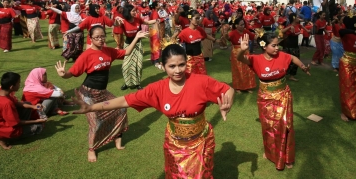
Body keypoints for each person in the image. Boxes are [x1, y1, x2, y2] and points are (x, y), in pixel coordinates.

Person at [72, 44, 235, 177]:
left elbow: (228, 90)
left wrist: (227, 103)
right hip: (174, 144)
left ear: (187, 62)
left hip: (200, 142)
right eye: (172, 66)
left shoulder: (201, 82)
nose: (177, 70)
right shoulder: (156, 89)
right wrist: (91, 107)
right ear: (163, 66)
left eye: (181, 65)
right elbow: (125, 100)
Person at [55, 26, 148, 162]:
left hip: (102, 92)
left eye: (102, 36)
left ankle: (117, 137)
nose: (100, 39)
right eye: (97, 37)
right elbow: (71, 73)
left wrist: (137, 37)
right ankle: (91, 149)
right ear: (91, 38)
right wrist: (63, 75)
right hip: (88, 93)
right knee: (96, 121)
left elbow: (126, 52)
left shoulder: (108, 51)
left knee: (121, 108)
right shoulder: (86, 55)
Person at [237, 32, 310, 170]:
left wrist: (303, 67)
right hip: (265, 98)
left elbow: (293, 58)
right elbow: (240, 58)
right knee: (269, 127)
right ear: (264, 46)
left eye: (278, 45)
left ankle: (287, 157)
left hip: (283, 95)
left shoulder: (282, 56)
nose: (277, 48)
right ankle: (271, 153)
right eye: (274, 45)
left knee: (285, 125)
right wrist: (242, 49)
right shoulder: (256, 59)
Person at [0, 72, 47, 150]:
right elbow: (16, 123)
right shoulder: (6, 103)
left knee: (27, 104)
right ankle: (2, 138)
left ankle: (3, 135)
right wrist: (36, 121)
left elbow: (17, 103)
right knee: (38, 127)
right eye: (18, 83)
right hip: (1, 130)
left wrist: (33, 106)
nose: (20, 85)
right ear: (11, 87)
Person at [118, 4, 157, 90]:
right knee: (126, 66)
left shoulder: (138, 19)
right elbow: (116, 26)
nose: (135, 12)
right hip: (128, 45)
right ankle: (127, 82)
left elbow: (147, 22)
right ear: (128, 12)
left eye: (135, 10)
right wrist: (117, 20)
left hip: (138, 44)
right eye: (133, 11)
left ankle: (138, 83)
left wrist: (157, 20)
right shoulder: (123, 21)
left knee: (138, 65)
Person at [173, 9, 217, 75]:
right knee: (190, 77)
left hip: (200, 58)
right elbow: (173, 40)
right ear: (190, 19)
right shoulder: (185, 32)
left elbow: (205, 35)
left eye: (199, 18)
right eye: (196, 18)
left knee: (202, 76)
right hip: (189, 59)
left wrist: (215, 40)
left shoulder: (199, 29)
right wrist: (178, 32)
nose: (198, 20)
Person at [228, 17, 256, 92]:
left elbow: (253, 37)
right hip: (236, 52)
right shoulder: (233, 33)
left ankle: (248, 86)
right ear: (236, 25)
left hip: (246, 52)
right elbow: (227, 38)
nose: (242, 26)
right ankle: (238, 87)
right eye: (241, 25)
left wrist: (260, 34)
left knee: (247, 69)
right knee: (238, 69)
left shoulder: (246, 32)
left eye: (243, 24)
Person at [281, 13, 310, 81]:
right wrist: (289, 27)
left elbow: (305, 29)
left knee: (296, 61)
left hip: (295, 46)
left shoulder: (298, 25)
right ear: (294, 18)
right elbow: (282, 31)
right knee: (288, 61)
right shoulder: (290, 26)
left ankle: (291, 75)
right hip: (289, 46)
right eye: (297, 17)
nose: (299, 18)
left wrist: (308, 31)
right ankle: (283, 74)